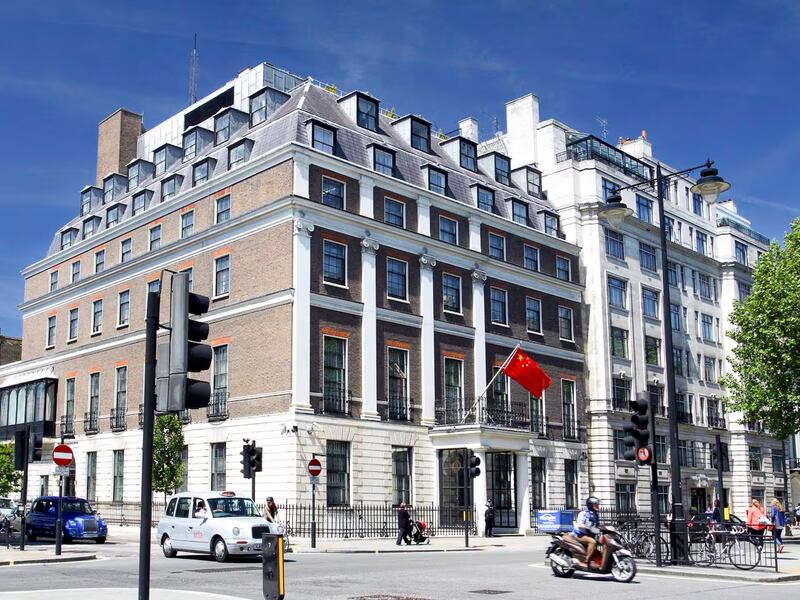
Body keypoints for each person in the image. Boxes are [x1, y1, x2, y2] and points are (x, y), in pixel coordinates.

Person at [571, 496, 601, 567]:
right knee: (592, 542)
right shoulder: (583, 513)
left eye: (597, 504)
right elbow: (580, 525)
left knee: (602, 540)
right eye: (596, 504)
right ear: (591, 505)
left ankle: (599, 560)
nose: (598, 506)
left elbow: (597, 525)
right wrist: (587, 527)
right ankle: (586, 561)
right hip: (579, 535)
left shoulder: (595, 514)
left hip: (590, 534)